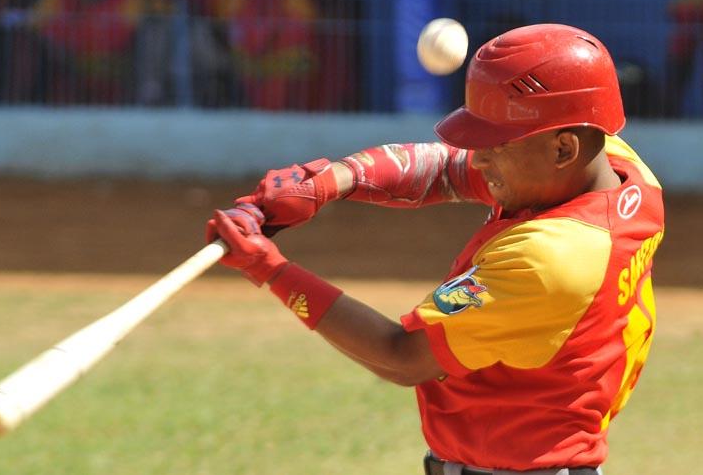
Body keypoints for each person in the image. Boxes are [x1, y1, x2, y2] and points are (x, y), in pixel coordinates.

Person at [206, 24, 665, 474]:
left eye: (495, 145)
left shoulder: (553, 258)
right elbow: (449, 167)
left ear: (564, 148)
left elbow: (401, 356)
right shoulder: (620, 169)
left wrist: (267, 267)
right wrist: (332, 180)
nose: (479, 159)